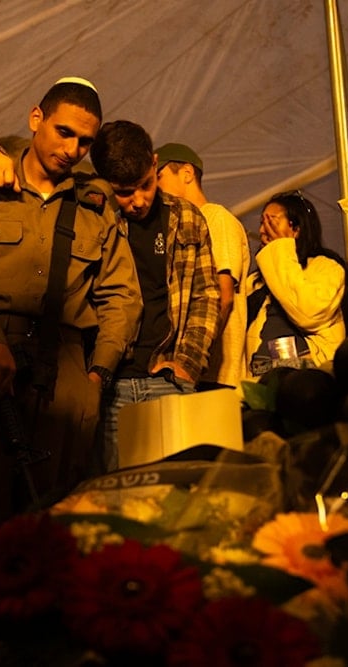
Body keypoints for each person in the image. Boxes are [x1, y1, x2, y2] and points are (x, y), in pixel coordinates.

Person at [0, 79, 142, 522]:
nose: (73, 149)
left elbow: (122, 295)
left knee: (51, 522)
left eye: (85, 142)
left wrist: (97, 374)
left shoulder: (95, 204)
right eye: (64, 132)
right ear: (36, 120)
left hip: (66, 376)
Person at [88, 120, 220, 470]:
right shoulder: (94, 220)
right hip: (111, 385)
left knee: (178, 500)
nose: (139, 200)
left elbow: (206, 295)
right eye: (124, 192)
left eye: (146, 185)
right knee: (119, 503)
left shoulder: (188, 217)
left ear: (156, 163)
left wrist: (187, 364)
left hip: (170, 380)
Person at [155, 142, 250, 389]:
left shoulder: (215, 217)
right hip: (190, 374)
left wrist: (190, 361)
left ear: (187, 173)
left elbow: (223, 296)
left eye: (159, 176)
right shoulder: (181, 227)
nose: (155, 187)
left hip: (213, 376)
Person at [245, 190, 346, 377]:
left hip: (308, 370)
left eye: (271, 221)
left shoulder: (326, 267)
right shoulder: (254, 282)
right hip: (261, 374)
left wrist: (281, 248)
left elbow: (307, 312)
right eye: (261, 222)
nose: (262, 230)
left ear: (296, 228)